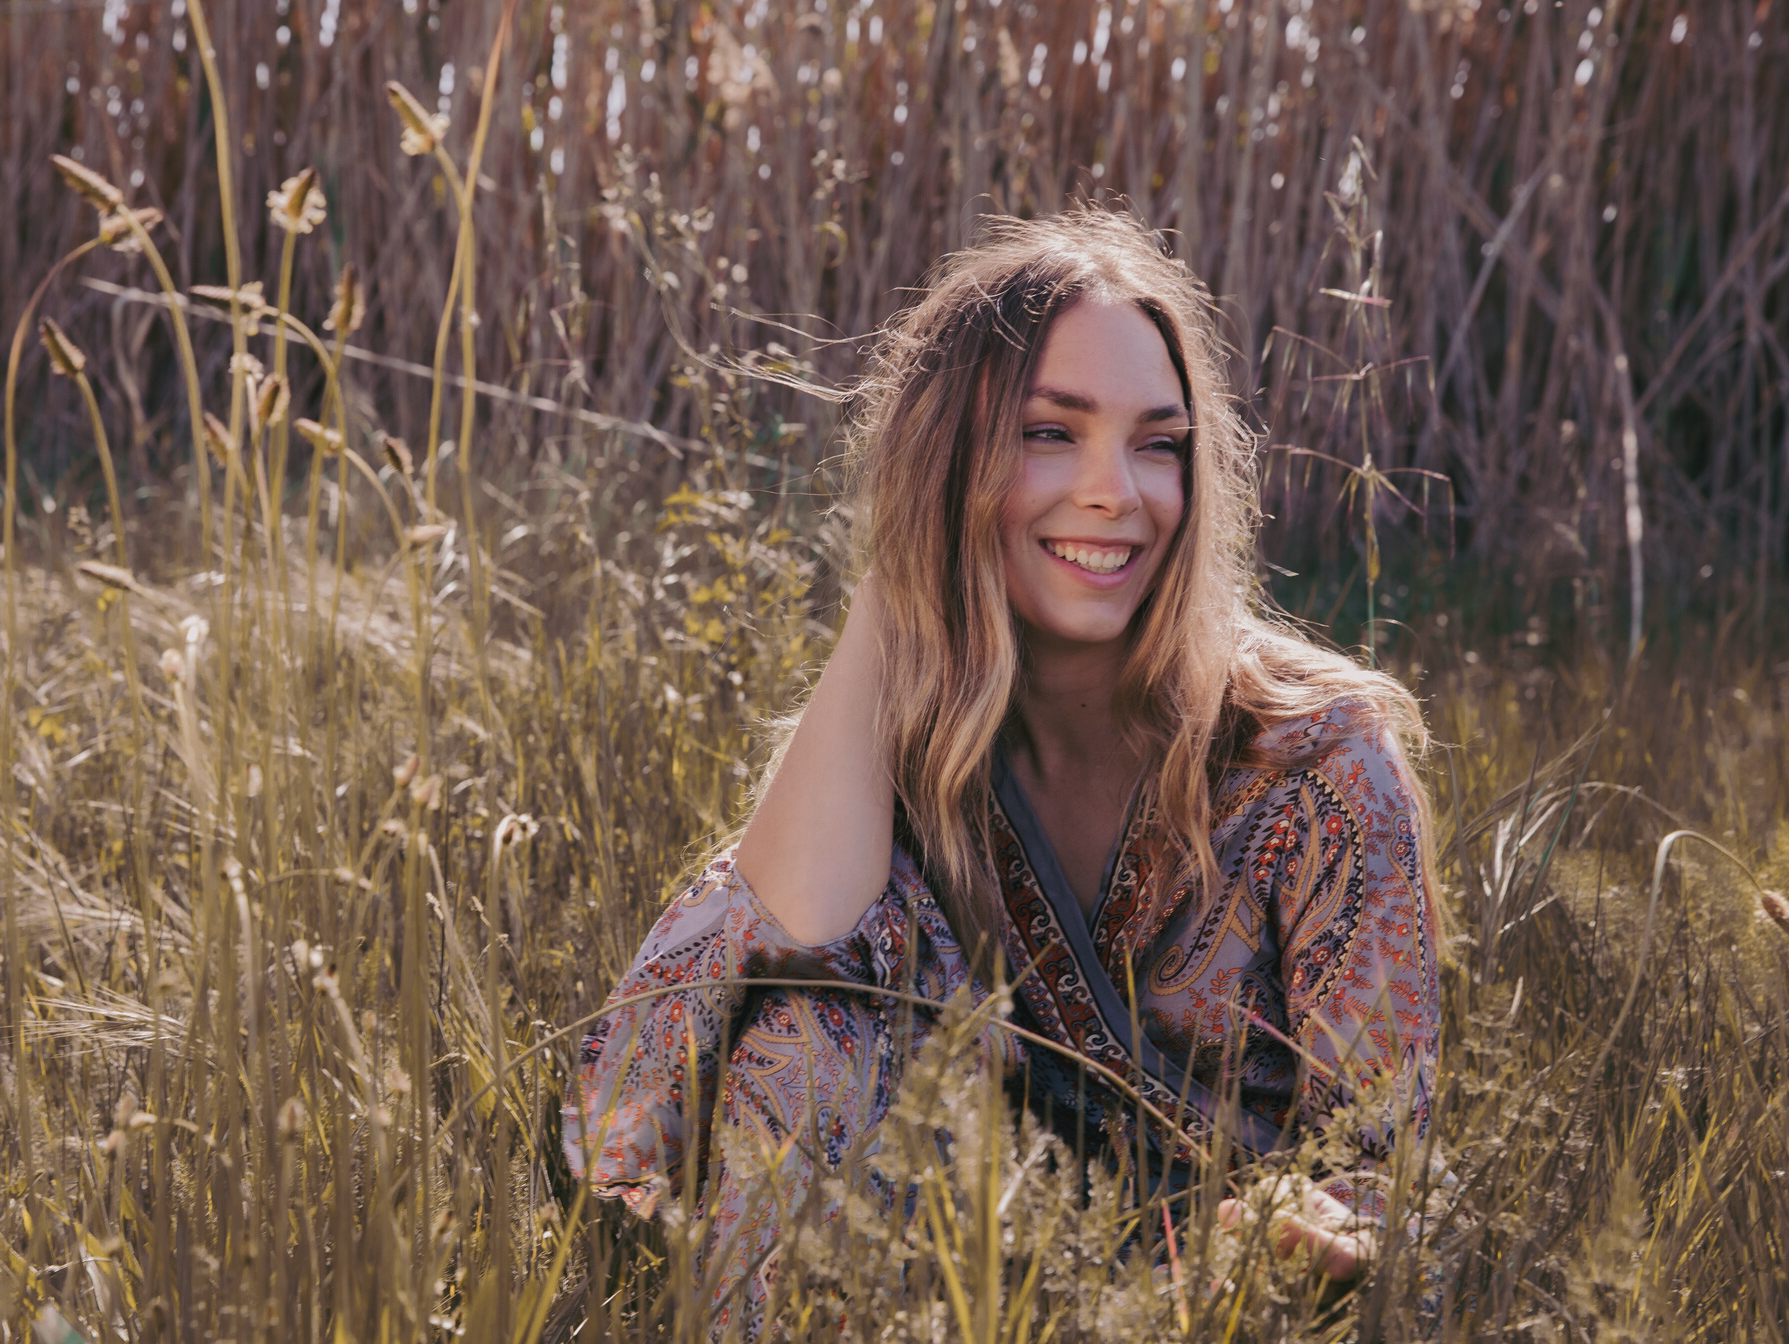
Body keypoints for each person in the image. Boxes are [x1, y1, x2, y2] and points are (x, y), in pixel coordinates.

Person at [564, 208, 1443, 1331]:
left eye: (1158, 444)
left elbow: (1383, 1164)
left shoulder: (1314, 759)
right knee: (802, 1034)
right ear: (949, 462)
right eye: (1048, 433)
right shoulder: (913, 743)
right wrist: (902, 572)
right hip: (960, 1262)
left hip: (1217, 1296)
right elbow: (784, 932)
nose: (1116, 490)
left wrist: (1291, 1231)